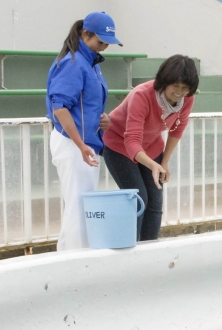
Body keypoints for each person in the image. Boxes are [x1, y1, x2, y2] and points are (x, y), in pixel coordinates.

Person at [46, 12, 122, 251]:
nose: (104, 47)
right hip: (73, 143)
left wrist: (101, 119)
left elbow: (84, 104)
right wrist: (80, 144)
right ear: (84, 34)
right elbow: (59, 107)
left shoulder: (90, 62)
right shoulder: (74, 62)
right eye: (100, 42)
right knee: (79, 207)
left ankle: (67, 258)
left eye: (107, 43)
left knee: (80, 205)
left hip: (84, 142)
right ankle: (76, 262)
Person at [102, 55, 199, 241]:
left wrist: (164, 162)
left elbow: (177, 130)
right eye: (176, 86)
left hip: (151, 146)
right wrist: (153, 166)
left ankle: (150, 248)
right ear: (165, 81)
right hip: (119, 144)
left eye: (185, 87)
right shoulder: (142, 95)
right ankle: (131, 246)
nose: (180, 92)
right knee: (138, 198)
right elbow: (131, 140)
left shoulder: (187, 99)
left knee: (155, 201)